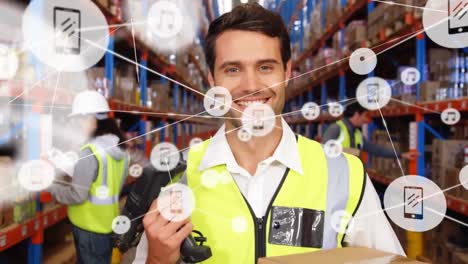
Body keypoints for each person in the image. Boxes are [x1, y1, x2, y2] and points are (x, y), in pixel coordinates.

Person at [134, 3, 404, 264]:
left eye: (265, 67)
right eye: (233, 69)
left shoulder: (345, 175)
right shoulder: (173, 178)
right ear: (212, 81)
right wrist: (157, 260)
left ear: (286, 72)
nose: (250, 85)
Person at [48, 90, 129, 264]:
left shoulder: (90, 151)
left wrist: (50, 185)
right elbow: (106, 181)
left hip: (88, 228)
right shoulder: (120, 149)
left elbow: (77, 195)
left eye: (79, 120)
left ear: (92, 118)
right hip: (108, 224)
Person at [322, 103, 420, 160]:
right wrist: (352, 152)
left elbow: (375, 149)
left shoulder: (357, 134)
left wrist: (401, 154)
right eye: (365, 116)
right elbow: (323, 149)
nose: (366, 120)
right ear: (356, 114)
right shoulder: (336, 128)